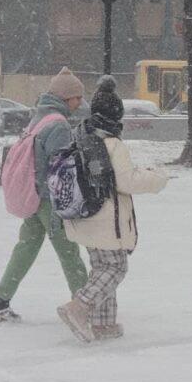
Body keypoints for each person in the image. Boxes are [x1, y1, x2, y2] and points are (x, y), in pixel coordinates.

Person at [56, 76, 168, 342]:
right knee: (116, 268)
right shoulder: (113, 144)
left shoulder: (81, 136)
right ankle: (79, 307)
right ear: (117, 116)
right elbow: (126, 181)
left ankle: (103, 324)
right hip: (106, 219)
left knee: (101, 268)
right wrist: (157, 177)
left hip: (84, 215)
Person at [0, 68, 89, 322]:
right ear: (67, 98)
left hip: (32, 195)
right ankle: (86, 305)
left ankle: (0, 301)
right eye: (77, 98)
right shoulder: (59, 125)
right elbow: (61, 169)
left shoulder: (39, 118)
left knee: (26, 248)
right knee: (69, 253)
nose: (79, 103)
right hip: (49, 200)